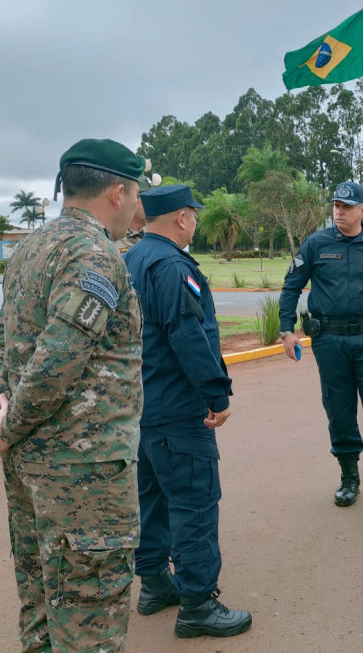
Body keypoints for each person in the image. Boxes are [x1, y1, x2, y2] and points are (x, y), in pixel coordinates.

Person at [0, 138, 146, 653]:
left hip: (31, 469)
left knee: (43, 606)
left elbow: (3, 343)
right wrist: (6, 428)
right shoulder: (94, 255)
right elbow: (55, 361)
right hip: (84, 473)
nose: (135, 208)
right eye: (134, 196)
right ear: (117, 192)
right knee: (89, 619)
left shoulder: (29, 249)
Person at [123, 184, 252, 639]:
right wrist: (217, 394)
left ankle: (155, 583)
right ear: (181, 218)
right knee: (194, 503)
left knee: (153, 499)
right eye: (193, 215)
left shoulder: (132, 259)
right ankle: (197, 603)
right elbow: (188, 336)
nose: (195, 221)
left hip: (141, 407)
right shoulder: (173, 266)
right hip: (177, 408)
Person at [279, 181, 363, 517]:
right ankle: (349, 477)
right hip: (329, 340)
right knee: (338, 409)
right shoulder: (316, 244)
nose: (339, 212)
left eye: (346, 206)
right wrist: (287, 330)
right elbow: (291, 286)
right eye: (336, 206)